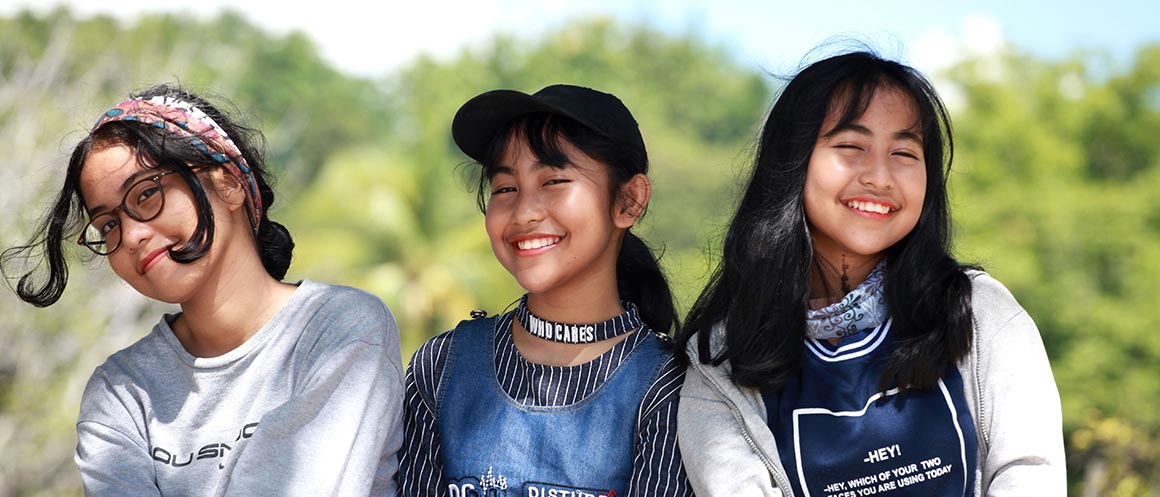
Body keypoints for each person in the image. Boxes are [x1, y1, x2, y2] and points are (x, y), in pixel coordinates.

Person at [675, 51, 1066, 496]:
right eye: (850, 147)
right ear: (792, 162)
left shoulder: (980, 312)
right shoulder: (724, 359)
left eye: (903, 152)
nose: (880, 177)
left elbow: (1029, 473)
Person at [1, 84, 404, 496]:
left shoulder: (340, 329)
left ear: (227, 182)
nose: (132, 234)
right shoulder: (120, 393)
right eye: (108, 224)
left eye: (146, 194)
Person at [396, 85, 692, 496]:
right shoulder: (441, 367)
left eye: (553, 180)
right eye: (505, 189)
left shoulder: (669, 386)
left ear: (629, 201)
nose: (524, 212)